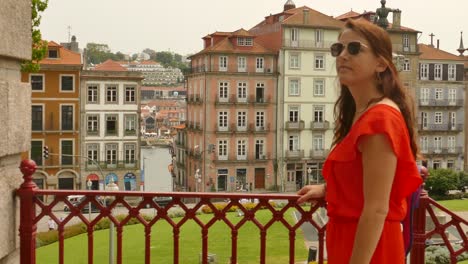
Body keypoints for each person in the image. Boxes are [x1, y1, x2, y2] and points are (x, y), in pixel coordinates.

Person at [297, 19, 422, 264]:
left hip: (370, 247)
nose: (342, 55)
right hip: (351, 239)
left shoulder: (380, 119)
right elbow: (362, 180)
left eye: (354, 49)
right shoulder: (360, 112)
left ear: (381, 63)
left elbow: (377, 208)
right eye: (338, 49)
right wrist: (328, 190)